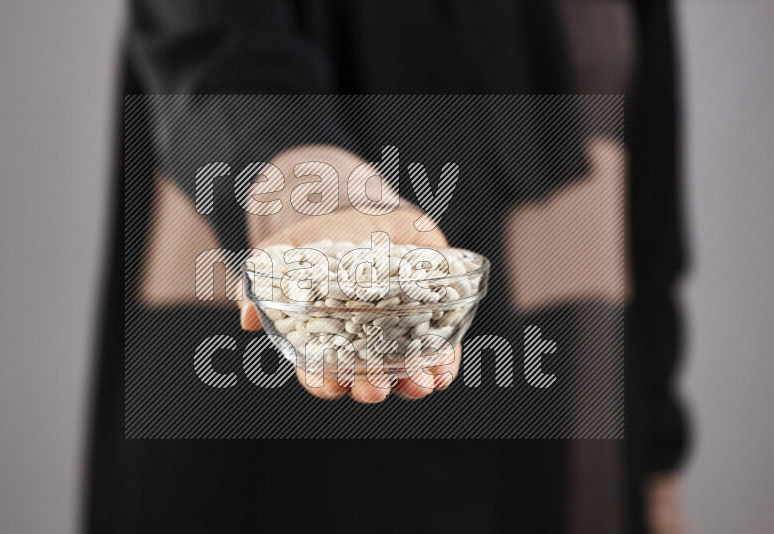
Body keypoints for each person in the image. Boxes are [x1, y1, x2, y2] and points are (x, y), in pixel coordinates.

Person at [87, 1, 687, 532]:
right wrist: (317, 198)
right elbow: (223, 55)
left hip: (562, 411)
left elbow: (649, 196)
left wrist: (659, 465)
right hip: (263, 429)